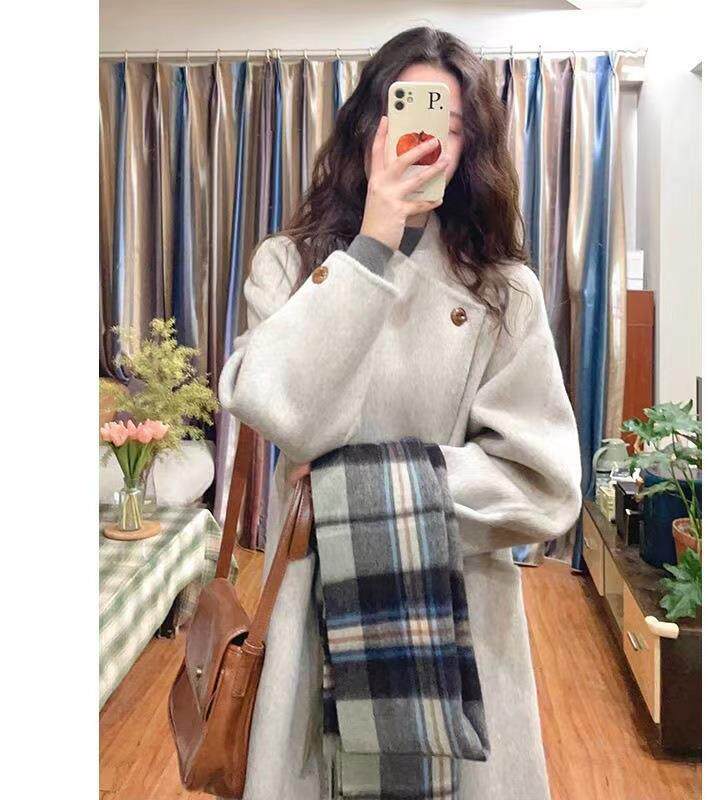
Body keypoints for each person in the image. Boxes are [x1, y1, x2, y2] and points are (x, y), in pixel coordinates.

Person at [218, 26, 582, 800]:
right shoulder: (287, 265)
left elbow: (544, 485)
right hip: (315, 613)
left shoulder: (502, 291)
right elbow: (287, 418)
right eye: (412, 116)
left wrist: (355, 485)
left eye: (452, 125)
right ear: (369, 130)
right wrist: (374, 244)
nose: (430, 142)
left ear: (471, 146)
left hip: (456, 628)